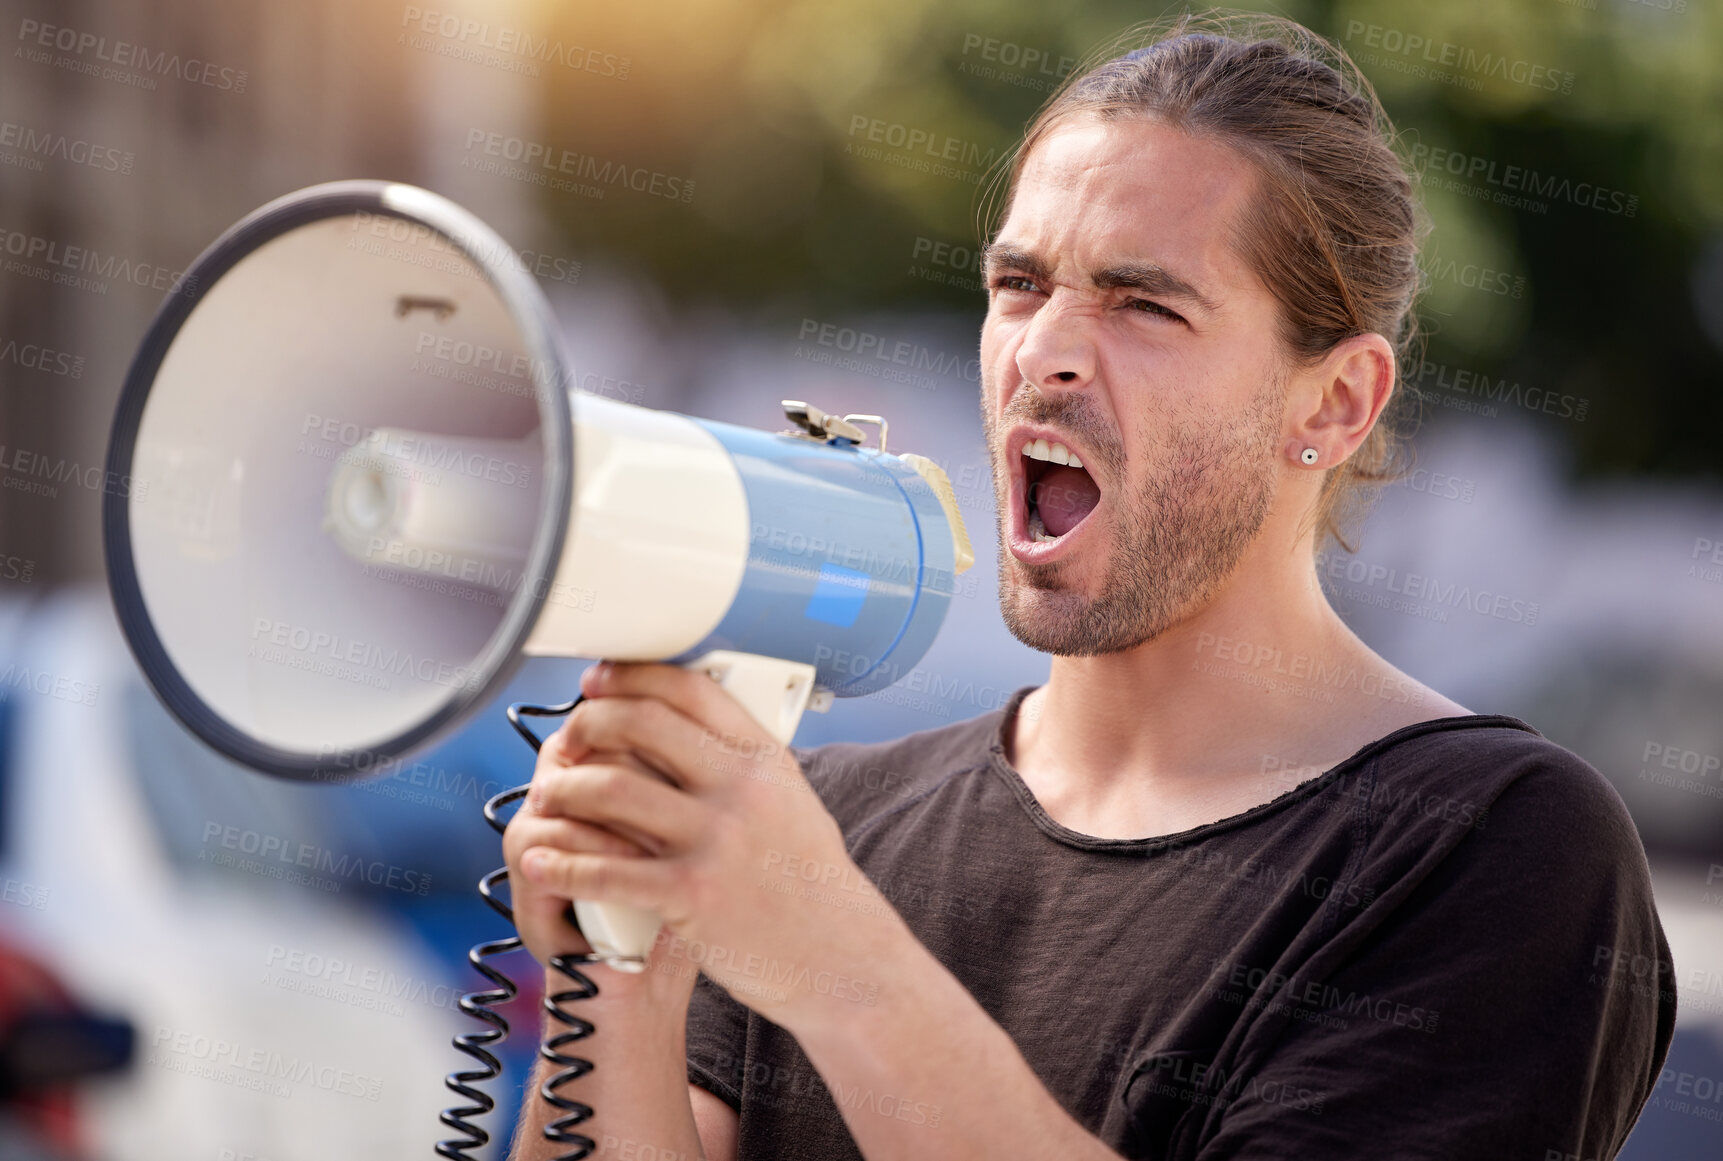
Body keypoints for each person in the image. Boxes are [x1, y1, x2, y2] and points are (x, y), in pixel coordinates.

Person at [500, 13, 1675, 1160]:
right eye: (1018, 285)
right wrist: (612, 973)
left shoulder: (1486, 846)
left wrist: (839, 965)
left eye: (1143, 303)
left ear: (1332, 404)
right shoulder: (835, 823)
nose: (1043, 352)